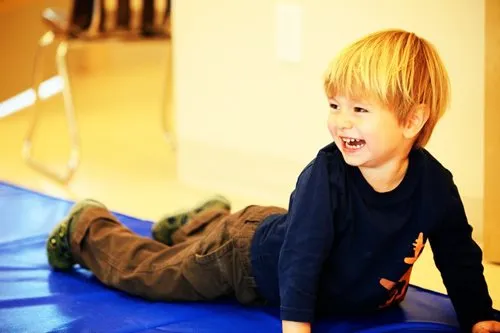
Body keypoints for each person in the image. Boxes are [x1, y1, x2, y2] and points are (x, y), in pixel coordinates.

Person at [46, 29, 500, 333]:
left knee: (252, 229)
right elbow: (301, 260)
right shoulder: (326, 176)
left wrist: (478, 316)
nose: (340, 122)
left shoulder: (435, 185)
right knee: (152, 275)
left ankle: (201, 219)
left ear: (412, 120)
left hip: (275, 227)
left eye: (359, 110)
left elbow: (459, 253)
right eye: (334, 104)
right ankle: (89, 227)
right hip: (243, 260)